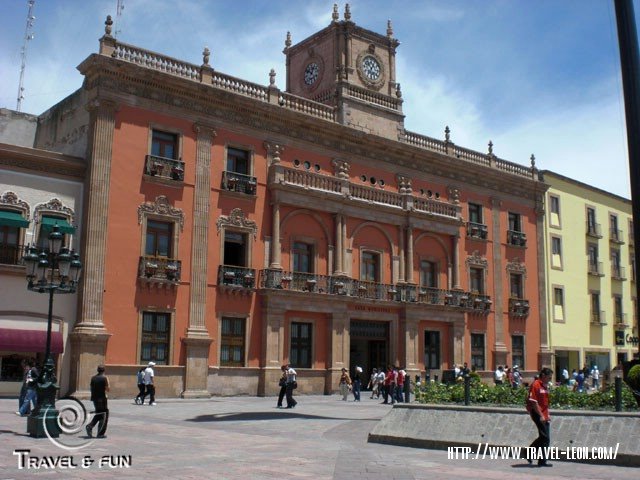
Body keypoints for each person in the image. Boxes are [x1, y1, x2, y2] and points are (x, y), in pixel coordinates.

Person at [526, 367, 553, 467]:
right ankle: (529, 452)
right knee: (544, 437)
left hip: (544, 413)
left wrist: (547, 414)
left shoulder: (544, 385)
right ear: (543, 376)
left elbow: (545, 403)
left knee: (545, 438)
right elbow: (534, 402)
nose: (550, 380)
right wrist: (541, 415)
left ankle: (541, 461)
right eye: (549, 378)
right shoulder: (536, 384)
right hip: (537, 413)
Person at [86, 365, 110, 438]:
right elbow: (108, 389)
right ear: (104, 370)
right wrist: (107, 382)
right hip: (102, 398)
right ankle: (100, 433)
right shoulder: (105, 378)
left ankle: (90, 427)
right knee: (104, 415)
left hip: (95, 398)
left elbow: (91, 388)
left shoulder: (93, 378)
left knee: (99, 413)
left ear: (98, 370)